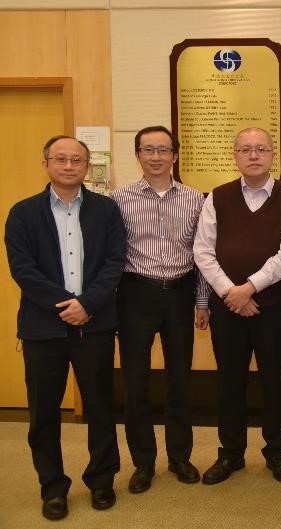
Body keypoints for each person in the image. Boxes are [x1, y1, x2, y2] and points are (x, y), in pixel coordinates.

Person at [4, 135, 127, 520]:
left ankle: (102, 480)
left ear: (87, 167)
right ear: (46, 165)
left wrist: (87, 304)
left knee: (101, 406)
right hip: (43, 328)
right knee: (43, 412)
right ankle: (52, 487)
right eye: (61, 159)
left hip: (95, 324)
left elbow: (115, 261)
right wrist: (66, 305)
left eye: (77, 159)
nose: (69, 165)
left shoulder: (106, 210)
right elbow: (23, 270)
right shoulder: (22, 213)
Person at [193, 127, 281, 485]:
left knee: (275, 383)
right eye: (245, 149)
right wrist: (232, 292)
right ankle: (231, 454)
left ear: (273, 155)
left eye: (261, 149)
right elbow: (203, 251)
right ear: (235, 156)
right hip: (229, 309)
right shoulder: (217, 197)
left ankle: (276, 452)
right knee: (229, 383)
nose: (253, 155)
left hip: (273, 308)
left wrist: (250, 288)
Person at [111, 126, 209, 493]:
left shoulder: (196, 199)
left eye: (162, 150)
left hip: (180, 294)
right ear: (137, 155)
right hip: (135, 295)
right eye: (147, 150)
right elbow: (112, 256)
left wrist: (202, 301)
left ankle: (180, 457)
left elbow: (202, 255)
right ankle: (143, 463)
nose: (155, 157)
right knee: (135, 384)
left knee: (179, 381)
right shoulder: (118, 200)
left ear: (175, 155)